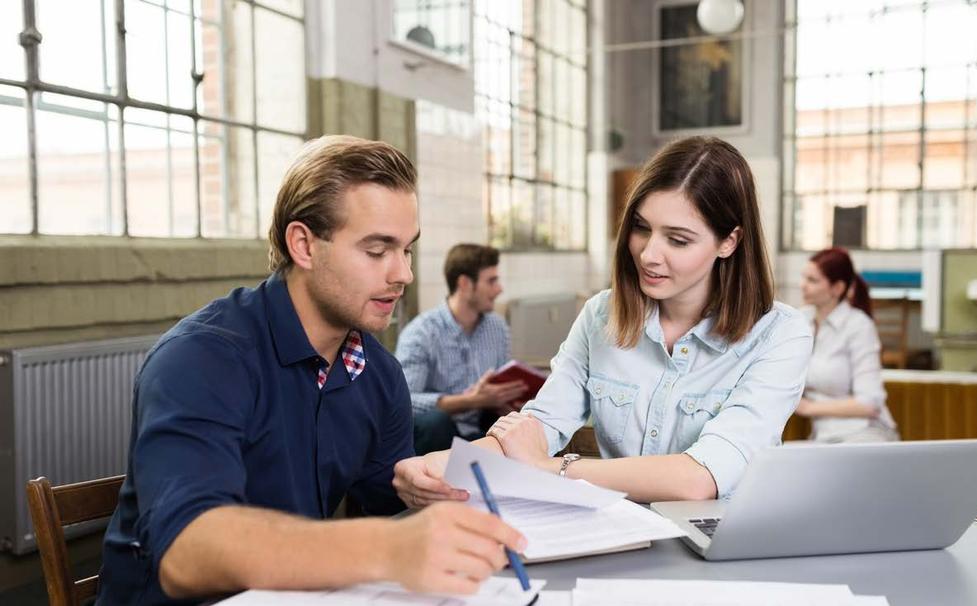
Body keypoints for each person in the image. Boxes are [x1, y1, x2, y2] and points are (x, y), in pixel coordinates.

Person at [97, 136, 525, 605]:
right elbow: (185, 553)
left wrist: (423, 486)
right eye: (378, 250)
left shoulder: (376, 370)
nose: (402, 273)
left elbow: (389, 493)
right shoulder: (201, 358)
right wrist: (387, 547)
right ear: (303, 244)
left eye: (406, 250)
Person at [392, 136, 813, 507]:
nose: (649, 254)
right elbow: (542, 422)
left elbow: (700, 478)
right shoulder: (600, 314)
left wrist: (549, 469)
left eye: (678, 240)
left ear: (729, 241)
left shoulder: (780, 334)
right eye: (642, 228)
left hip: (721, 542)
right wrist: (445, 465)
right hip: (620, 531)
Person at [396, 244, 528, 455]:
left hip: (483, 429)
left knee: (518, 421)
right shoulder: (421, 333)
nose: (500, 289)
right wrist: (469, 401)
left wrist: (508, 401)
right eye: (491, 281)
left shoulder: (497, 327)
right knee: (434, 422)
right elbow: (404, 401)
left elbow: (502, 381)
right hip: (439, 436)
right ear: (465, 284)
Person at [794, 247, 899, 443]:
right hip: (823, 437)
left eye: (812, 280)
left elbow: (869, 403)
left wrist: (807, 407)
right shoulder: (800, 320)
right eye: (803, 277)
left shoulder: (858, 326)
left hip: (865, 432)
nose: (802, 285)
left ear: (837, 288)